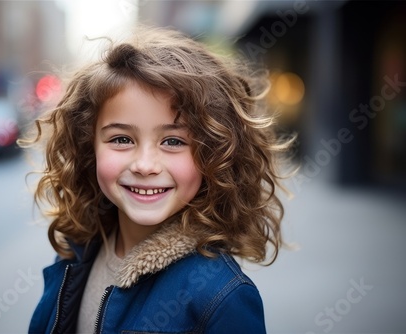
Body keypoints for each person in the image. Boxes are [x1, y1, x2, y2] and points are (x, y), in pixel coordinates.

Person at [23, 26, 293, 333]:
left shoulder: (220, 297)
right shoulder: (77, 250)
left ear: (215, 156)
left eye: (174, 142)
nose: (145, 165)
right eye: (122, 139)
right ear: (90, 148)